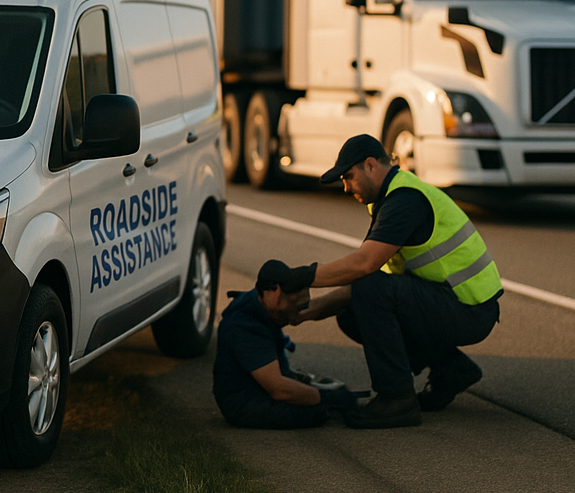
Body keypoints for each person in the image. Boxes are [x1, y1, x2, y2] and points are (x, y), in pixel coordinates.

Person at [296, 134, 502, 429]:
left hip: (470, 310)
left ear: (370, 165)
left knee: (369, 288)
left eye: (349, 177)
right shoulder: (391, 197)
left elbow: (363, 266)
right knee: (353, 311)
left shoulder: (404, 200)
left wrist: (302, 277)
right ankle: (452, 369)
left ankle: (396, 399)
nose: (345, 187)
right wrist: (307, 312)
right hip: (454, 304)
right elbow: (370, 281)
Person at [212, 260, 365, 429]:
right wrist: (325, 398)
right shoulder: (244, 325)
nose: (294, 318)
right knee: (313, 412)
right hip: (244, 403)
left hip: (259, 388)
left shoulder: (263, 304)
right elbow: (279, 389)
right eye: (293, 307)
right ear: (275, 292)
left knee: (309, 395)